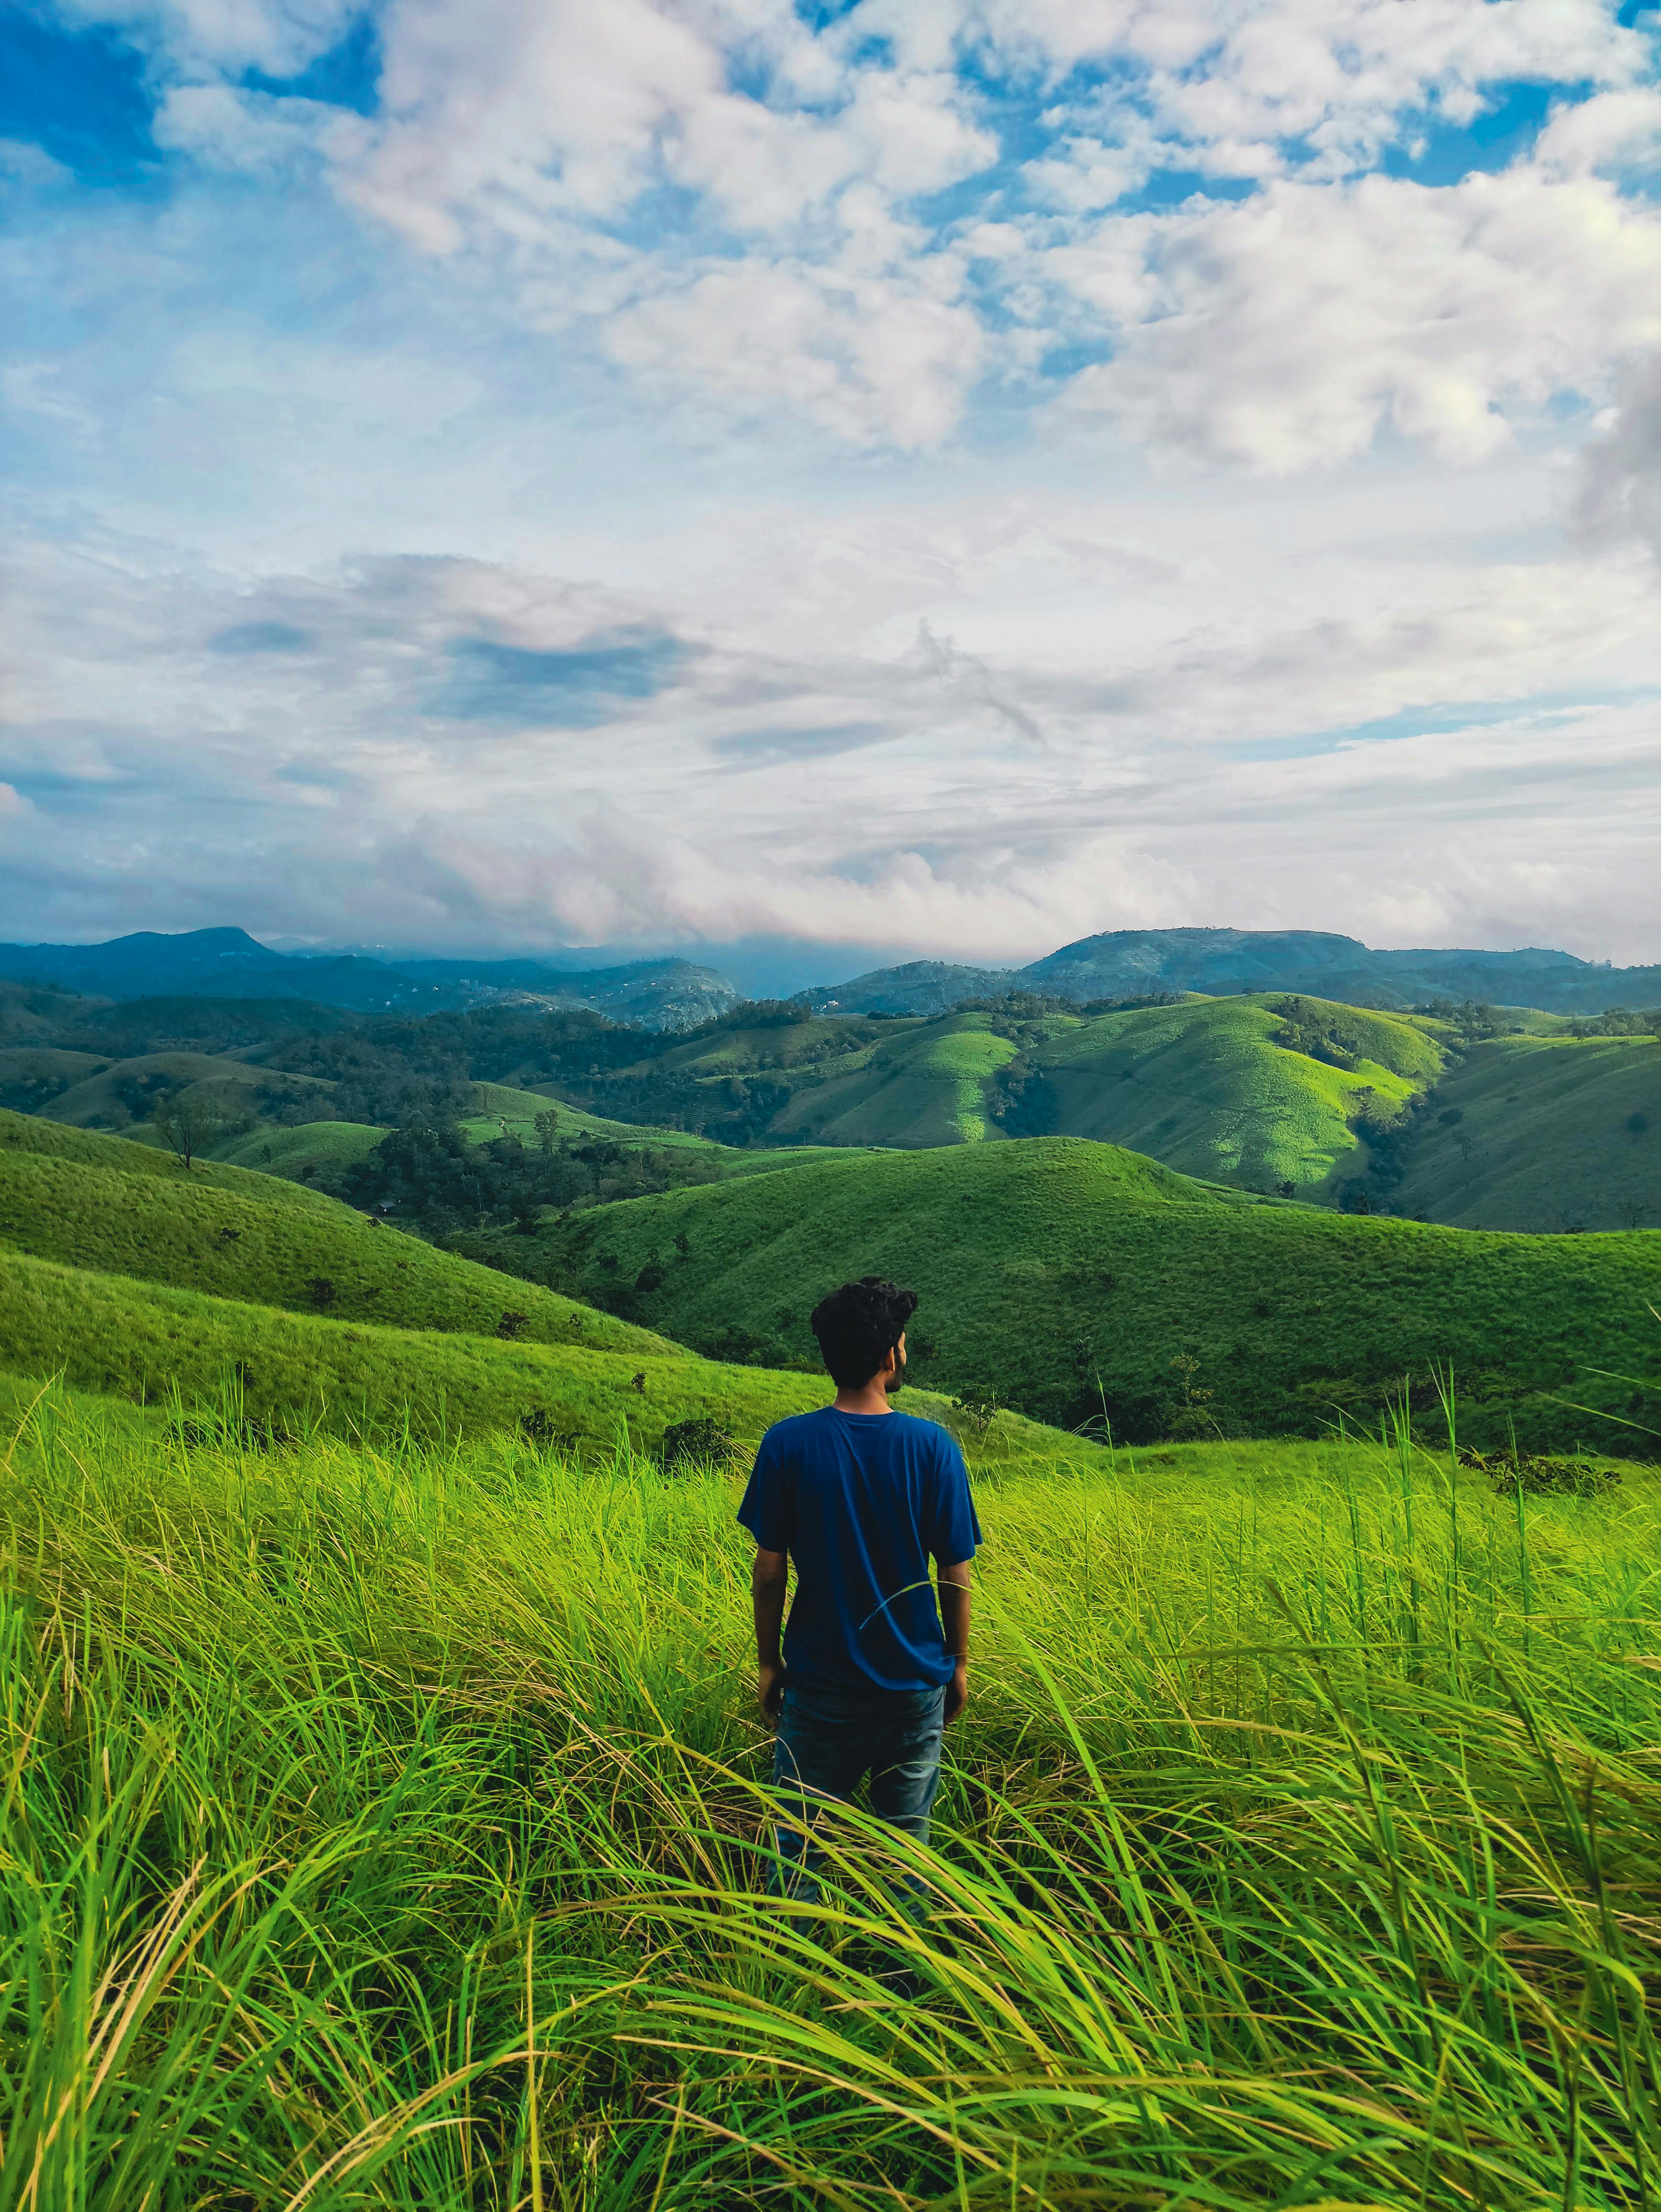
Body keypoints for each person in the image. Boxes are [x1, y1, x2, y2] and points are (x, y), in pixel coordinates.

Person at [737, 1276, 981, 1905]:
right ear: (889, 1355)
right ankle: (902, 1989)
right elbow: (954, 1575)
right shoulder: (932, 1448)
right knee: (906, 1855)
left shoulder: (787, 1442)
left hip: (820, 1688)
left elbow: (770, 1572)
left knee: (796, 1850)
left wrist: (769, 1664)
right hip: (912, 1687)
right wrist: (958, 1665)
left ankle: (791, 1979)